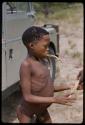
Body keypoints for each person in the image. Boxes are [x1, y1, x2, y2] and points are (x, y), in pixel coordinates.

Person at [16, 26, 75, 123]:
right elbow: (28, 97)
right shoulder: (26, 65)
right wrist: (54, 99)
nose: (48, 49)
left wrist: (68, 86)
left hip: (41, 110)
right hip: (27, 113)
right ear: (31, 46)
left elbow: (45, 86)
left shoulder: (43, 61)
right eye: (45, 46)